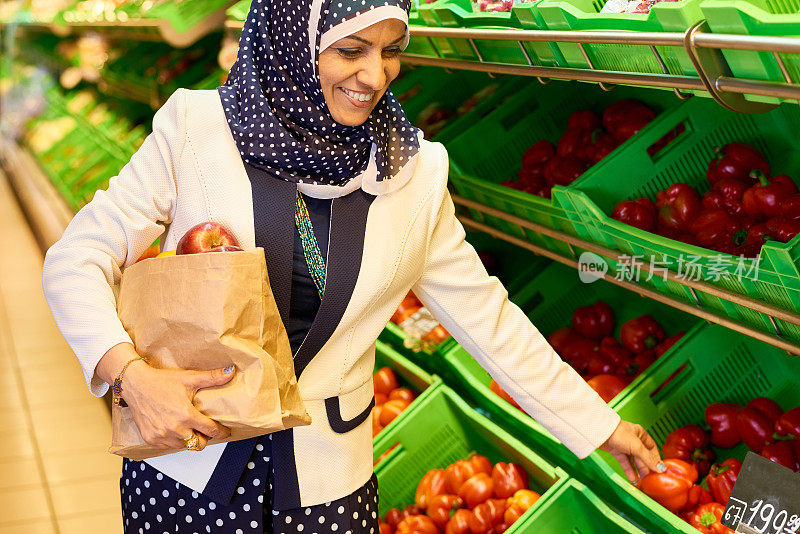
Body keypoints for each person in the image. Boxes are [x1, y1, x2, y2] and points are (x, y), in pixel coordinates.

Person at [41, 0, 665, 532]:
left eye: (392, 50)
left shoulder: (415, 175)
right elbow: (76, 258)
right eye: (351, 50)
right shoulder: (197, 131)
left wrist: (599, 426)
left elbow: (486, 315)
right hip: (184, 468)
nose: (375, 75)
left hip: (325, 486)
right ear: (294, 35)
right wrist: (128, 375)